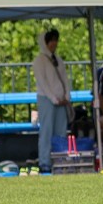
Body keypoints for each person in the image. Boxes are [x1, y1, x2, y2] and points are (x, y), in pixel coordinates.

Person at [32, 29, 71, 175]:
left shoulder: (58, 59)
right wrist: (54, 99)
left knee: (61, 132)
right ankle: (45, 162)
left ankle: (59, 159)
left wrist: (67, 96)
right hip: (47, 100)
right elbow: (42, 82)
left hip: (61, 101)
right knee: (46, 131)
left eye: (55, 40)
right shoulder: (39, 60)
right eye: (51, 40)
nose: (54, 43)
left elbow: (65, 79)